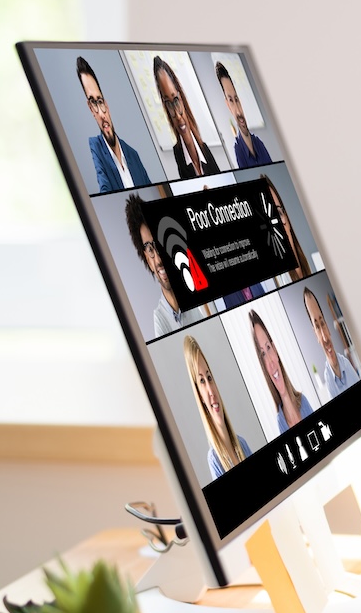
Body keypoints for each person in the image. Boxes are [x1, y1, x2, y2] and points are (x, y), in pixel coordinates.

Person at [124, 193, 196, 338]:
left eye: (158, 245)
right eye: (150, 249)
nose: (158, 259)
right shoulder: (160, 321)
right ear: (148, 260)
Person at [77, 57, 152, 193]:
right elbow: (104, 186)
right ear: (90, 109)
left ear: (106, 104)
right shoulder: (96, 146)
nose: (101, 114)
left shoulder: (133, 155)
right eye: (93, 103)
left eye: (99, 101)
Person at [182, 335, 248, 479]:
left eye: (209, 378)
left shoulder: (243, 444)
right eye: (201, 381)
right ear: (199, 395)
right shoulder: (214, 461)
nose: (211, 391)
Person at [153, 56, 218, 178]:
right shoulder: (179, 155)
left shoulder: (205, 149)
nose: (177, 116)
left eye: (176, 100)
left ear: (181, 97)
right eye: (169, 104)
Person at [248, 310, 311, 435]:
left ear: (275, 349)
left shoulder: (303, 402)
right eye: (263, 354)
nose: (270, 361)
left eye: (268, 348)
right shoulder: (281, 423)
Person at [301, 286, 358, 399]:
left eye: (322, 323)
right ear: (315, 334)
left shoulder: (347, 365)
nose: (324, 337)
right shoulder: (329, 383)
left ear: (327, 325)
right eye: (317, 327)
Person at [216, 61, 272, 168]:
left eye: (236, 99)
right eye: (231, 101)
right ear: (227, 105)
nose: (238, 111)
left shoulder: (259, 143)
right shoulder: (237, 151)